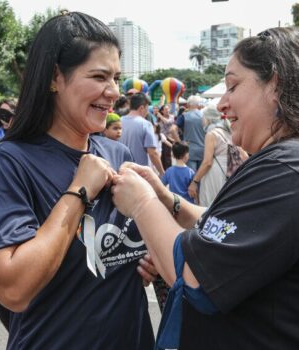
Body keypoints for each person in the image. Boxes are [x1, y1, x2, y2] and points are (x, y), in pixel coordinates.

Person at [112, 27, 299, 350]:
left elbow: (195, 281)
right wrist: (166, 198)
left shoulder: (285, 168)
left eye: (233, 86)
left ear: (275, 84)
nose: (222, 103)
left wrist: (142, 204)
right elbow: (225, 224)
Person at [0, 12, 155, 349]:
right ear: (54, 77)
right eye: (100, 76)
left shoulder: (119, 156)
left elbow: (132, 251)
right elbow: (13, 289)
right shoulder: (9, 161)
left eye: (116, 77)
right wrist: (79, 190)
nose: (114, 91)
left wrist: (149, 261)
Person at [188, 104, 248, 206]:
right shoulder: (229, 131)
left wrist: (194, 181)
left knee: (210, 205)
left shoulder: (211, 134)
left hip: (215, 174)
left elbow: (207, 162)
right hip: (231, 173)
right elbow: (245, 156)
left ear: (208, 119)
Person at [120, 92, 165, 176]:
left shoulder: (119, 121)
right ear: (142, 108)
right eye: (147, 108)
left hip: (120, 170)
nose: (147, 112)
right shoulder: (145, 124)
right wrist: (162, 172)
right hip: (139, 173)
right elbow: (152, 153)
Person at [180, 95, 206, 171]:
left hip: (189, 150)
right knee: (201, 177)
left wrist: (180, 142)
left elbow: (172, 129)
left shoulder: (184, 116)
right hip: (203, 149)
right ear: (198, 104)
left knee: (191, 175)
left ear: (188, 104)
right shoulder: (204, 116)